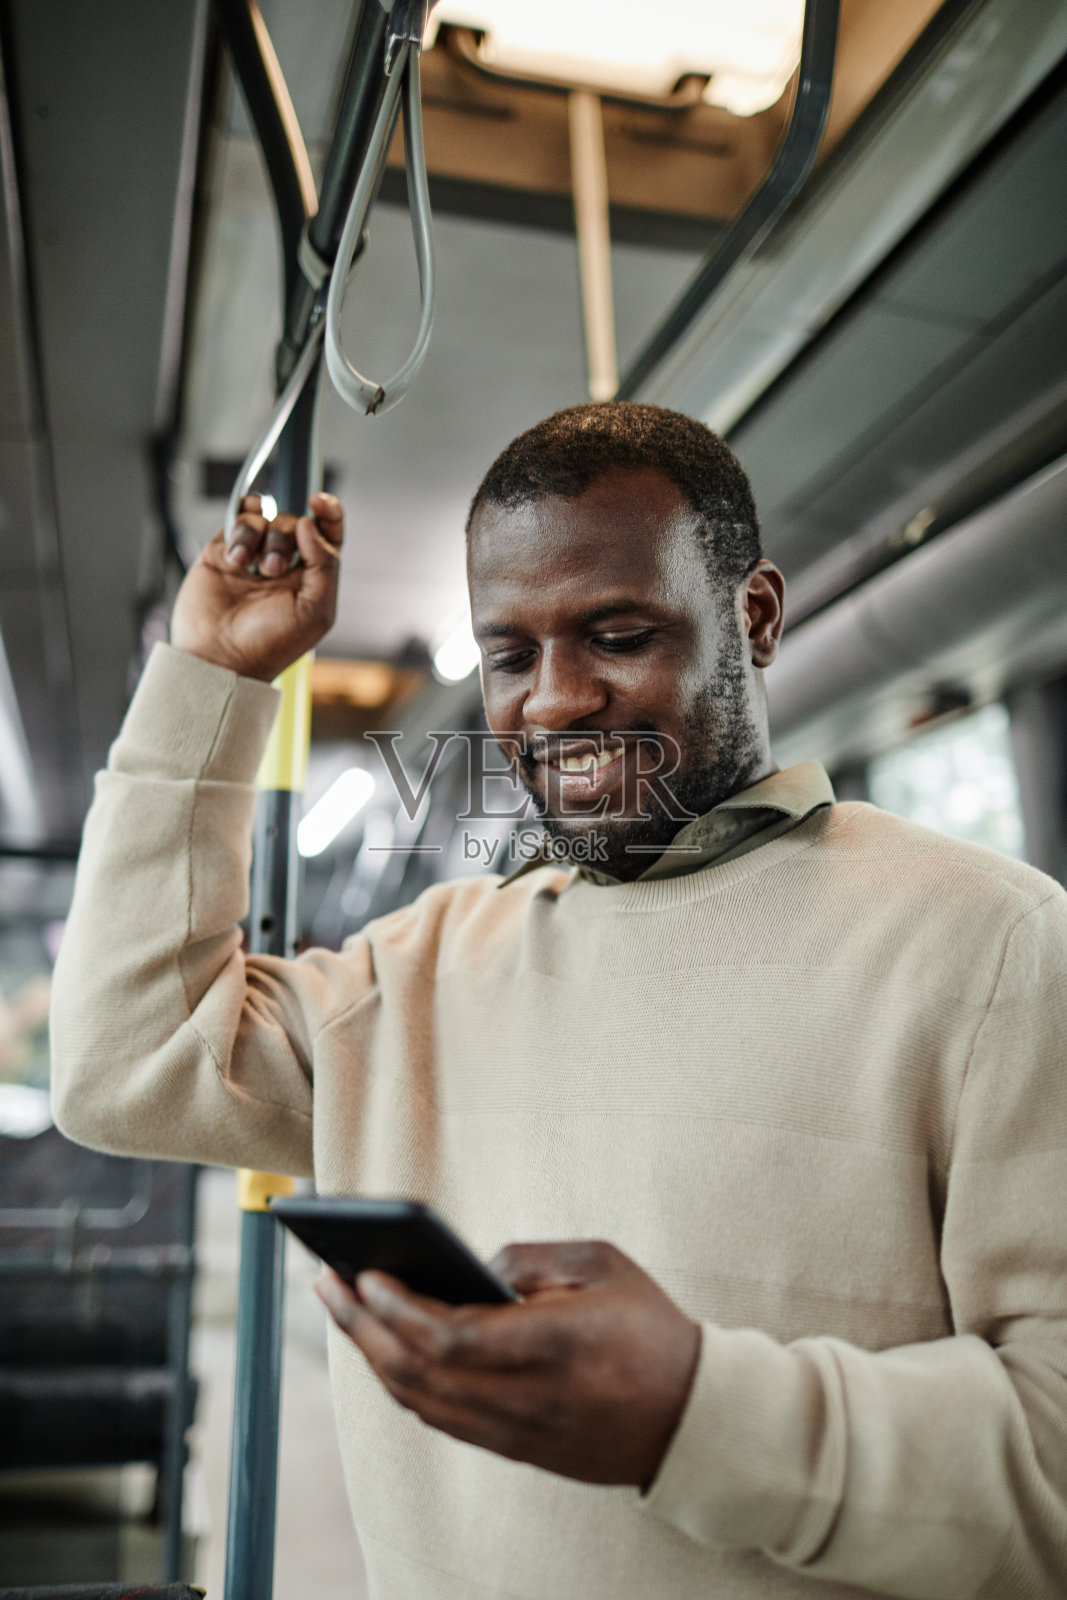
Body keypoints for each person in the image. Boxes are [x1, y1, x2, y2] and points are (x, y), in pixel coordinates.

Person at [51, 403, 1067, 1599]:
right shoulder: (418, 967)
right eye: (510, 655)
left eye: (618, 633)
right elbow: (127, 1064)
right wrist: (210, 678)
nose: (552, 702)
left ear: (754, 618)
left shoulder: (991, 944)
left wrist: (694, 1413)